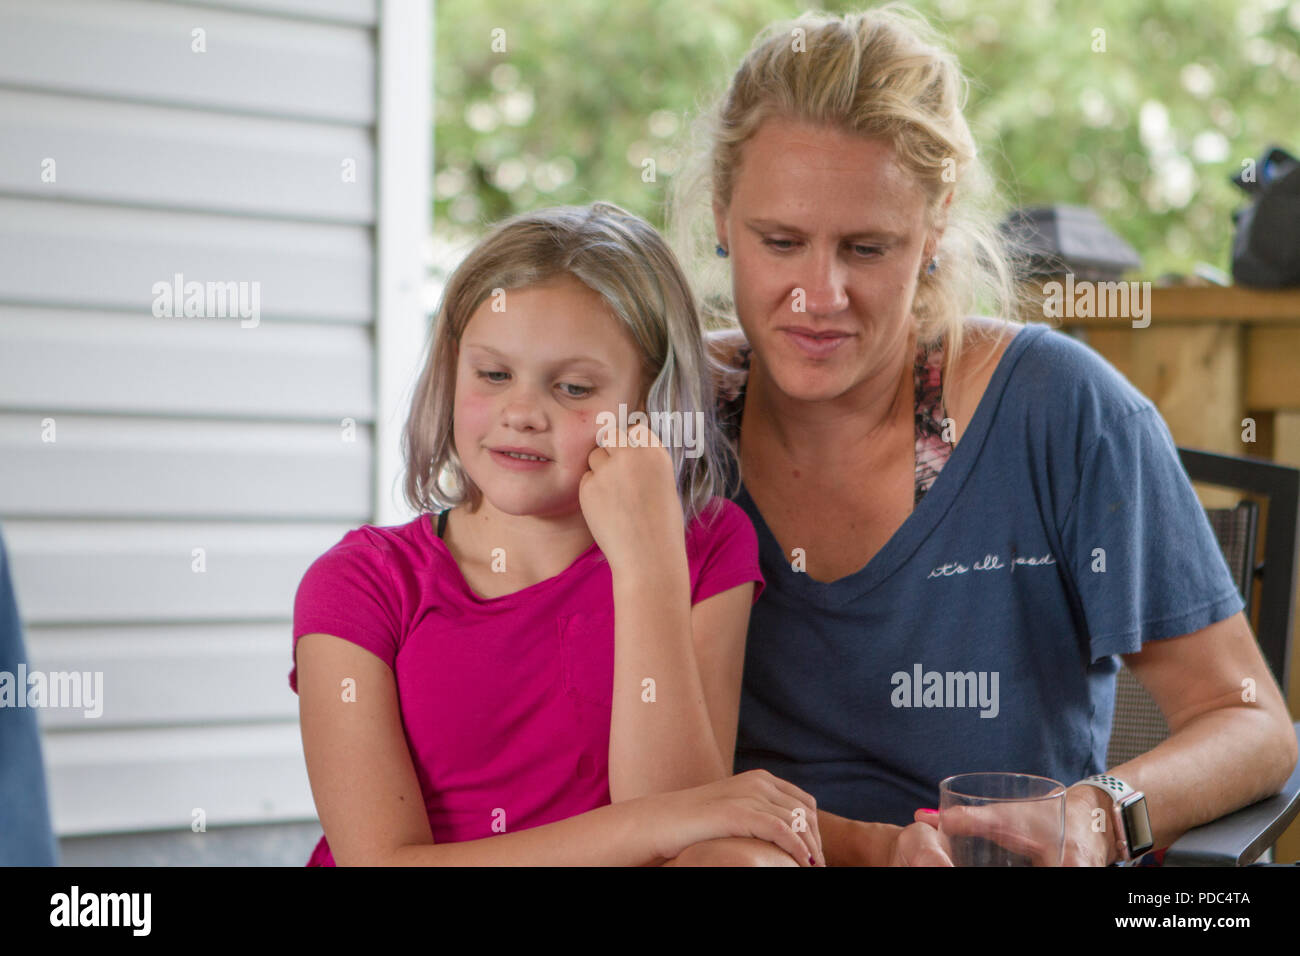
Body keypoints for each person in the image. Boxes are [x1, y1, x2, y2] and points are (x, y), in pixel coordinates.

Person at [665, 4, 1297, 865]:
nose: (820, 294)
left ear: (935, 225)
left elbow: (1251, 723)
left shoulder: (1058, 409)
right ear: (720, 216)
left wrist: (1095, 816)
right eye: (780, 242)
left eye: (867, 248)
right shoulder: (667, 418)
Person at [290, 202, 825, 866]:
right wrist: (658, 825)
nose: (521, 414)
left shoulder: (706, 546)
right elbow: (382, 862)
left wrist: (647, 564)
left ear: (653, 403)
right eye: (492, 375)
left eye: (573, 388)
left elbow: (687, 839)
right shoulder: (359, 583)